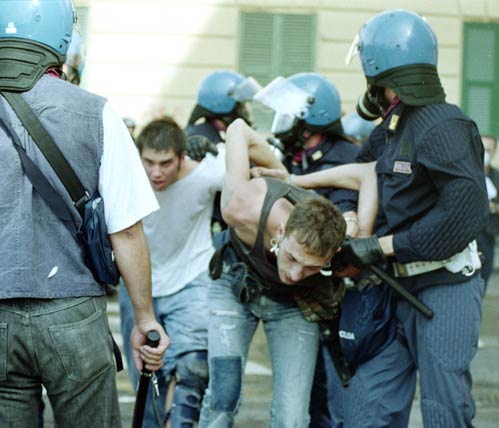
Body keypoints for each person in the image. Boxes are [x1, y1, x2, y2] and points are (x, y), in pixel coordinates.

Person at [0, 1, 169, 427]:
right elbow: (127, 232)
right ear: (60, 40)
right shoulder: (96, 113)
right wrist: (144, 320)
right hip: (72, 312)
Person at [334, 9, 487, 427]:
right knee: (367, 411)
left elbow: (463, 213)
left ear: (377, 71)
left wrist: (382, 245)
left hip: (444, 287)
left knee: (444, 413)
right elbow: (355, 175)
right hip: (392, 288)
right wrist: (350, 218)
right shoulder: (391, 127)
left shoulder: (445, 125)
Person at [198, 118, 377, 428]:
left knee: (292, 416)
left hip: (295, 304)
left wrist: (297, 180)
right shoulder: (242, 205)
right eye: (292, 257)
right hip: (235, 288)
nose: (295, 272)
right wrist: (275, 165)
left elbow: (368, 173)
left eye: (311, 266)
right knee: (222, 398)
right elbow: (239, 127)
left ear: (332, 255)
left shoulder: (344, 245)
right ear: (281, 231)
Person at [252, 72, 363, 427]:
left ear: (309, 119)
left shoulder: (343, 157)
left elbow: (347, 224)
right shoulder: (297, 155)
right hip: (301, 291)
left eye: (290, 113)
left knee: (333, 395)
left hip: (335, 295)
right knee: (310, 390)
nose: (283, 120)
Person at [119, 116, 225, 427]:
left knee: (192, 369)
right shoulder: (126, 176)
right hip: (139, 285)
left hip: (192, 281)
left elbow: (254, 163)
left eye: (165, 163)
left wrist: (220, 147)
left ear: (182, 157)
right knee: (147, 376)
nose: (156, 172)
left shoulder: (206, 173)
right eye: (149, 162)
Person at [185, 70, 261, 233]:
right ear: (223, 105)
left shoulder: (222, 133)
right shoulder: (200, 136)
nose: (245, 111)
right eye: (240, 106)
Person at [477, 135, 499, 290]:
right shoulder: (466, 172)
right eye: (482, 149)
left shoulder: (497, 177)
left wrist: (491, 206)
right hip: (466, 238)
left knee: (483, 283)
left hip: (488, 237)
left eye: (488, 150)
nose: (484, 153)